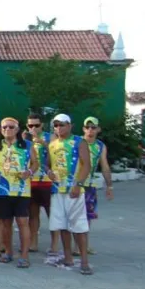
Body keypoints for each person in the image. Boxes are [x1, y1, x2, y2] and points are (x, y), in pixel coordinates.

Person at [47, 114, 93, 274]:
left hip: (74, 190)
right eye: (56, 125)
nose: (59, 128)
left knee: (79, 226)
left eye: (62, 125)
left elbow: (87, 165)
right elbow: (47, 164)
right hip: (57, 190)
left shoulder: (79, 142)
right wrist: (49, 172)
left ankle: (85, 262)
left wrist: (78, 184)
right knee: (62, 225)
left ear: (70, 125)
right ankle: (68, 257)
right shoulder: (52, 144)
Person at [0, 117, 38, 268]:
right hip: (3, 189)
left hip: (21, 191)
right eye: (4, 128)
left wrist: (29, 171)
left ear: (17, 130)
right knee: (5, 223)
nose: (7, 130)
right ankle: (8, 252)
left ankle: (24, 255)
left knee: (23, 222)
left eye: (11, 127)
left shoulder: (27, 145)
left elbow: (36, 162)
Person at [82, 116, 113, 250]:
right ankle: (74, 246)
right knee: (73, 215)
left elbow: (104, 166)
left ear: (98, 129)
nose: (90, 130)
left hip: (89, 185)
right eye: (87, 127)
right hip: (74, 184)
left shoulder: (100, 146)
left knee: (87, 216)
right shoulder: (77, 142)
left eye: (93, 127)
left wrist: (109, 186)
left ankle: (84, 245)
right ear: (83, 129)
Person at [24, 112, 51, 254]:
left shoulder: (49, 137)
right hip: (31, 181)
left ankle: (54, 244)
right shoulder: (25, 138)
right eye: (30, 125)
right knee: (33, 214)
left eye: (36, 125)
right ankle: (33, 242)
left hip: (47, 181)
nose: (33, 128)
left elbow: (57, 155)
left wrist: (44, 144)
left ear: (42, 125)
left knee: (51, 213)